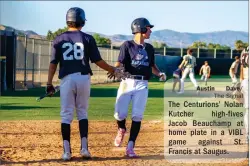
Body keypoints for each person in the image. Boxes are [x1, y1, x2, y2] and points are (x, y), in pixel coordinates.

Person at [46, 7, 118, 161]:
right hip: (83, 78)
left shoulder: (59, 39)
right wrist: (112, 69)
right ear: (82, 21)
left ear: (68, 20)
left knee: (66, 115)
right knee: (82, 113)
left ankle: (67, 152)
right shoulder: (87, 38)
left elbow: (53, 64)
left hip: (66, 79)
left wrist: (49, 83)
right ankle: (84, 149)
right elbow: (97, 61)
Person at [112, 18, 166, 158]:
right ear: (141, 29)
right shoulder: (127, 45)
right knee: (119, 114)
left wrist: (159, 73)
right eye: (148, 28)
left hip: (142, 84)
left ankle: (130, 146)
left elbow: (152, 66)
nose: (150, 31)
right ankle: (121, 128)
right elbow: (119, 63)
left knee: (137, 115)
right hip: (127, 82)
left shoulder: (149, 48)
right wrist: (115, 70)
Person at [240, 46, 249, 145]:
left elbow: (242, 68)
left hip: (245, 81)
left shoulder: (245, 50)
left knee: (248, 110)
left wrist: (241, 82)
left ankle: (248, 135)